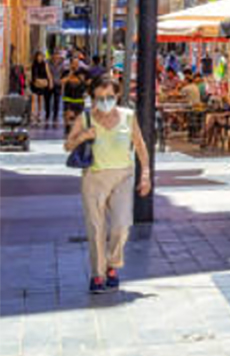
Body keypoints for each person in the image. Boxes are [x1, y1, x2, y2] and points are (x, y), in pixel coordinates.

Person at [63, 76, 152, 294]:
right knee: (95, 228)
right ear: (92, 97)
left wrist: (146, 175)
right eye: (100, 97)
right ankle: (98, 274)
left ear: (117, 95)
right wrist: (83, 136)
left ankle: (113, 263)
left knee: (121, 225)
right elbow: (67, 145)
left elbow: (140, 146)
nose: (105, 101)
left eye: (110, 97)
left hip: (123, 176)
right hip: (94, 177)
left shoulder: (128, 117)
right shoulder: (85, 118)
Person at [61, 58, 89, 135]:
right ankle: (67, 127)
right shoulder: (66, 72)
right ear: (71, 64)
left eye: (77, 63)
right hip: (68, 96)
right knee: (67, 113)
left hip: (79, 97)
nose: (76, 65)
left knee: (78, 115)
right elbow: (63, 81)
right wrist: (71, 74)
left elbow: (86, 82)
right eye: (74, 63)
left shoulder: (82, 72)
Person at [30, 51, 52, 122]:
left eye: (41, 56)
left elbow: (48, 73)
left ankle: (39, 113)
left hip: (42, 83)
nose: (39, 58)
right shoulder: (34, 64)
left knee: (40, 98)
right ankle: (33, 113)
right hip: (34, 83)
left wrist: (50, 82)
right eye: (38, 56)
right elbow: (31, 73)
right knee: (33, 98)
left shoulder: (45, 64)